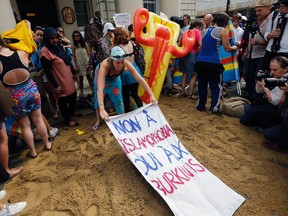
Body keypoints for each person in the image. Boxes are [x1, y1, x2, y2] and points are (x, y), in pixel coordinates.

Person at [0, 21, 52, 159]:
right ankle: (47, 144)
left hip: (15, 96)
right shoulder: (22, 52)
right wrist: (28, 27)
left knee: (25, 125)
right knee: (39, 120)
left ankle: (33, 152)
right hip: (31, 89)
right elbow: (29, 39)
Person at [92, 46, 158, 131]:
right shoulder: (105, 66)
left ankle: (121, 119)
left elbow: (140, 80)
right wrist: (102, 108)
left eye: (121, 62)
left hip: (114, 80)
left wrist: (151, 95)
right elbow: (100, 88)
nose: (120, 65)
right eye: (117, 63)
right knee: (98, 100)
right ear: (112, 61)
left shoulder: (126, 64)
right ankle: (98, 120)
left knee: (119, 100)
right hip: (101, 80)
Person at [195, 12, 238, 114]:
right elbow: (227, 48)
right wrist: (236, 47)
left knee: (202, 85)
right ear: (225, 22)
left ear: (214, 20)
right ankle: (214, 108)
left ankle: (200, 106)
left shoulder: (203, 31)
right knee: (216, 86)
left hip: (200, 61)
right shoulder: (223, 30)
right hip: (213, 63)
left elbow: (201, 46)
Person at [40, 27, 79, 127]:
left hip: (68, 77)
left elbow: (67, 59)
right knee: (63, 100)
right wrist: (55, 85)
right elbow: (47, 71)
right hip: (59, 79)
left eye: (56, 37)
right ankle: (67, 119)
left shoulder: (59, 46)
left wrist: (73, 72)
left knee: (73, 95)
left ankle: (72, 111)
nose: (55, 40)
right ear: (47, 39)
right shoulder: (45, 52)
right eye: (52, 38)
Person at [240, 56, 287, 129]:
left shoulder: (285, 80)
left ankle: (269, 126)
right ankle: (262, 121)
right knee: (244, 119)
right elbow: (259, 91)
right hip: (268, 104)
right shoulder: (273, 75)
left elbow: (276, 101)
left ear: (285, 69)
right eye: (270, 69)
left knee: (249, 110)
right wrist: (260, 82)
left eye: (275, 70)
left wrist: (264, 86)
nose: (271, 72)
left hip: (278, 110)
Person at [242, 0, 271, 101]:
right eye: (256, 11)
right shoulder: (255, 21)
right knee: (246, 75)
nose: (257, 13)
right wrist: (246, 50)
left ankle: (256, 98)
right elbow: (250, 38)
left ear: (268, 9)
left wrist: (258, 42)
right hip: (251, 54)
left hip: (261, 55)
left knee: (258, 77)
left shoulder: (271, 21)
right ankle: (249, 95)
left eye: (260, 10)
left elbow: (271, 40)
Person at [113, 27, 144, 113]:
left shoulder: (118, 48)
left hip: (124, 72)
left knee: (125, 96)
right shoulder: (132, 43)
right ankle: (143, 111)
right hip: (135, 69)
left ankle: (127, 113)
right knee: (135, 94)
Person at [178, 20, 202, 100]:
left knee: (184, 74)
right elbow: (200, 44)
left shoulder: (186, 32)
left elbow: (179, 44)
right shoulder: (197, 31)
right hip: (190, 54)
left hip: (182, 53)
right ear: (198, 26)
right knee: (194, 74)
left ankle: (182, 92)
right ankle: (190, 94)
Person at [262, 0, 288, 70]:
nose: (281, 8)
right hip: (270, 50)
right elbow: (266, 33)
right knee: (264, 73)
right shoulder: (274, 14)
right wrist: (271, 35)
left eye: (284, 6)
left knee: (282, 76)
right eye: (280, 5)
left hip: (285, 51)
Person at [72, 30, 93, 96]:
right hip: (79, 63)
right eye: (75, 36)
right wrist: (76, 65)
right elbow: (74, 57)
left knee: (89, 77)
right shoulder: (73, 46)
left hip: (86, 62)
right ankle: (81, 92)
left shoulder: (85, 44)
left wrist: (89, 63)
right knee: (80, 79)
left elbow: (89, 54)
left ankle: (93, 91)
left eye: (78, 35)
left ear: (80, 36)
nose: (76, 37)